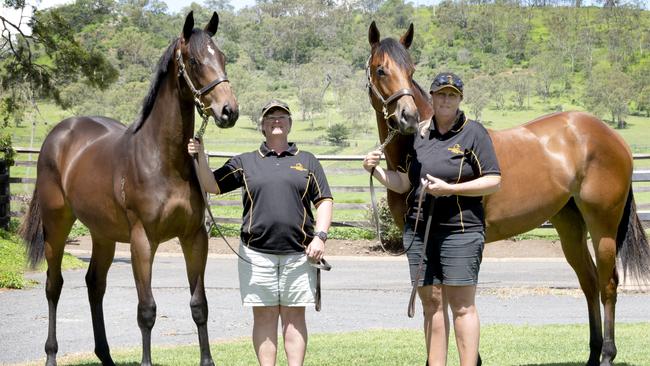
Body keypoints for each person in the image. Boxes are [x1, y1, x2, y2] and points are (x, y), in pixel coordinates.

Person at [362, 72, 501, 366]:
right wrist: (374, 170)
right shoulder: (419, 135)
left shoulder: (474, 133)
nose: (446, 100)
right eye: (441, 94)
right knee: (432, 305)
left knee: (462, 307)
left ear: (460, 99)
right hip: (420, 232)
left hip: (461, 231)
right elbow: (404, 183)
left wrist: (452, 189)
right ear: (432, 97)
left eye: (452, 95)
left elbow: (493, 181)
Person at [188, 99, 333, 366]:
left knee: (294, 318)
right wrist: (200, 154)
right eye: (270, 117)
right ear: (262, 127)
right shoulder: (245, 162)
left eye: (282, 117)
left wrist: (320, 236)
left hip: (299, 255)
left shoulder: (308, 161)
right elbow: (211, 185)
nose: (276, 121)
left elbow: (324, 200)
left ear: (289, 124)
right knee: (264, 318)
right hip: (256, 256)